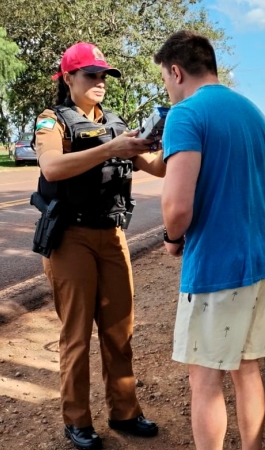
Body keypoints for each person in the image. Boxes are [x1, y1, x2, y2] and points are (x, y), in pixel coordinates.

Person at [155, 31, 265, 450]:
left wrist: (172, 239)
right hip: (264, 264)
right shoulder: (255, 114)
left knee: (205, 379)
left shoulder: (186, 115)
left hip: (216, 269)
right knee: (248, 372)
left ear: (176, 71)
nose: (168, 89)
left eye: (165, 79)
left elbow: (176, 207)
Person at [34, 42, 164, 450]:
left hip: (112, 236)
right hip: (70, 239)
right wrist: (112, 148)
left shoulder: (115, 123)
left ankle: (124, 413)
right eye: (91, 75)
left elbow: (158, 169)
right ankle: (77, 422)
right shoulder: (52, 120)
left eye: (103, 75)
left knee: (119, 332)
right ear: (68, 78)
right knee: (76, 336)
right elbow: (52, 166)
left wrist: (171, 142)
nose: (100, 82)